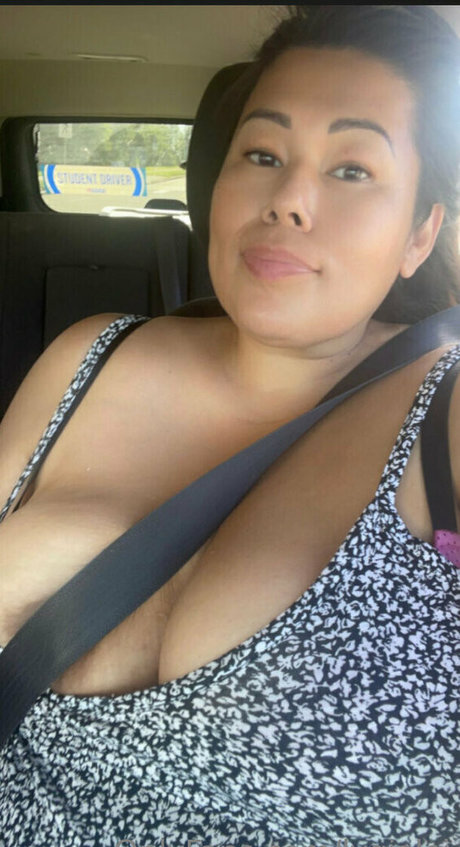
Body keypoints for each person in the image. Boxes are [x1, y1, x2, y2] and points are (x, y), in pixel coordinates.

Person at [0, 5, 459, 846]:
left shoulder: (447, 415)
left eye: (352, 169)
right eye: (262, 154)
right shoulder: (87, 357)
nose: (289, 200)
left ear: (419, 233)